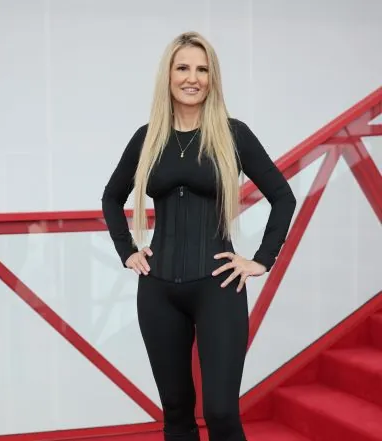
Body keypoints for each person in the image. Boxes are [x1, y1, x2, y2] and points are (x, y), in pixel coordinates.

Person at [101, 32, 296, 441]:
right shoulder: (147, 138)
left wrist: (261, 259)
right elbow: (112, 196)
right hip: (157, 291)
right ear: (168, 76)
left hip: (218, 288)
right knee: (175, 411)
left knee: (220, 411)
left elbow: (283, 196)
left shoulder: (233, 134)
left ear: (212, 78)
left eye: (202, 69)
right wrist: (127, 251)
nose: (193, 78)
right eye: (183, 68)